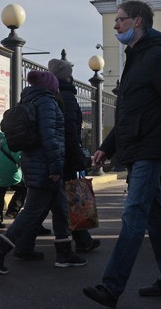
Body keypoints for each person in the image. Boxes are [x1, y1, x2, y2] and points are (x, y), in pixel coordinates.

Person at [82, 1, 161, 308]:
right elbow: (129, 113)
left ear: (138, 21)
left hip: (151, 149)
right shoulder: (135, 59)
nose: (116, 26)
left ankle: (111, 287)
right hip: (137, 148)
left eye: (121, 20)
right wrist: (105, 147)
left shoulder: (158, 57)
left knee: (134, 214)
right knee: (155, 217)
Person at [0, 70, 86, 274]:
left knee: (61, 210)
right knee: (31, 213)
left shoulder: (27, 101)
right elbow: (50, 139)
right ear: (50, 86)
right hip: (46, 166)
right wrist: (56, 167)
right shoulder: (47, 103)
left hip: (34, 163)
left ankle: (64, 253)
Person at [49, 57, 101, 252]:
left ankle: (82, 240)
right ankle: (78, 242)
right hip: (66, 157)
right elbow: (70, 130)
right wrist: (79, 158)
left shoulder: (52, 93)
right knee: (68, 201)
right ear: (68, 78)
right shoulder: (67, 97)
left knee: (54, 201)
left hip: (55, 155)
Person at [0, 132, 26, 230]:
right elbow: (18, 158)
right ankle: (13, 210)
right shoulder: (11, 144)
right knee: (22, 189)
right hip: (12, 175)